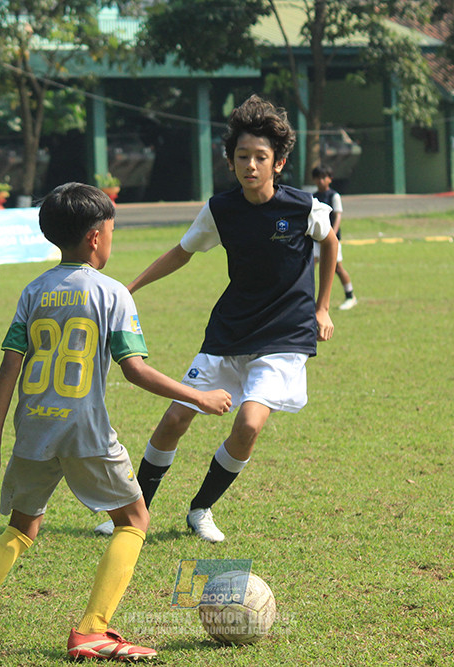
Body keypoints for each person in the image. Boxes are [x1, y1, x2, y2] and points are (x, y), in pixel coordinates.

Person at [0, 183, 232, 661]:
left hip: (33, 430)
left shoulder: (34, 291)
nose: (113, 239)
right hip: (86, 431)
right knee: (134, 519)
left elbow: (10, 364)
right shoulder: (112, 293)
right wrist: (199, 396)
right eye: (112, 230)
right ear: (94, 237)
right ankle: (93, 629)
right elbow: (136, 370)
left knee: (21, 528)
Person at [94, 94, 338, 543]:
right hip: (229, 330)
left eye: (260, 157)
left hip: (285, 336)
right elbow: (181, 252)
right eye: (242, 156)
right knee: (174, 420)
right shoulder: (220, 210)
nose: (251, 165)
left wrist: (322, 306)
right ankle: (130, 515)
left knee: (247, 424)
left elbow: (330, 244)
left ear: (278, 163)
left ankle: (201, 509)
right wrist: (131, 287)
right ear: (231, 161)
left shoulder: (304, 208)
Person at [311, 164, 357, 311]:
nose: (321, 181)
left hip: (330, 240)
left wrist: (331, 235)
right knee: (310, 267)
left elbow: (337, 216)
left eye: (324, 177)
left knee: (337, 267)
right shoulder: (313, 197)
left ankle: (350, 296)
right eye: (318, 178)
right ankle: (309, 300)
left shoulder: (334, 196)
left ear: (330, 179)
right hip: (316, 240)